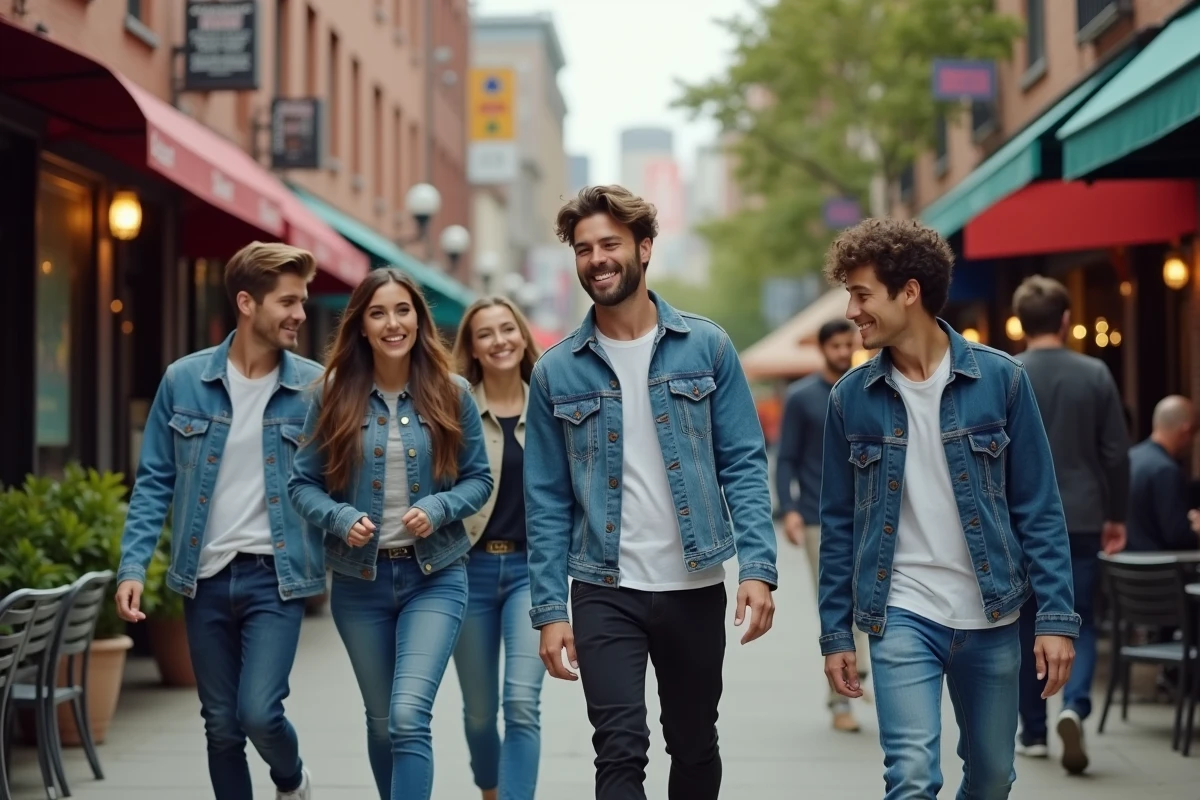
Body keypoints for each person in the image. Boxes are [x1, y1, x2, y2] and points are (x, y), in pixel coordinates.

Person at [525, 185, 779, 800]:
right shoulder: (556, 370)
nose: (596, 259)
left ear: (644, 248)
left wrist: (758, 568)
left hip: (693, 585)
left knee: (693, 743)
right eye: (583, 249)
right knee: (618, 749)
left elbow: (743, 463)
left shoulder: (708, 347)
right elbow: (546, 499)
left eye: (609, 244)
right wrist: (550, 611)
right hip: (603, 587)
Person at [817, 218, 1079, 799]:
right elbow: (837, 525)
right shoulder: (850, 399)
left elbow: (1039, 506)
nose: (852, 310)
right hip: (901, 611)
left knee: (992, 778)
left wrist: (1056, 618)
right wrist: (835, 634)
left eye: (862, 295)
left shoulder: (1002, 380)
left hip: (992, 611)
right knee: (911, 776)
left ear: (908, 292)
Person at [115, 242, 322, 800]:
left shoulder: (315, 388)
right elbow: (154, 481)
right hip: (203, 579)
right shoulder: (184, 381)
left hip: (276, 578)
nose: (300, 314)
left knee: (258, 712)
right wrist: (133, 567)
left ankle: (291, 779)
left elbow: (340, 481)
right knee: (221, 726)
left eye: (302, 301)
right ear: (247, 303)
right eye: (288, 302)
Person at [287, 268, 493, 800]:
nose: (392, 323)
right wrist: (339, 518)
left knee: (407, 716)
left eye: (403, 310)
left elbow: (479, 479)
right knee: (382, 723)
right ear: (361, 326)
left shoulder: (452, 393)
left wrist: (440, 506)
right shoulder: (332, 394)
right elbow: (301, 484)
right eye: (377, 313)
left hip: (435, 576)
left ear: (419, 320)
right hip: (360, 584)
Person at [1010, 275, 1131, 774]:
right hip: (1081, 515)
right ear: (1065, 319)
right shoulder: (1095, 373)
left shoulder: (1007, 373)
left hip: (1019, 521)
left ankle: (1034, 731)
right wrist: (1116, 514)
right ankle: (1075, 707)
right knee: (1080, 616)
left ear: (1021, 322)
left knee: (1024, 623)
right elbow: (1116, 453)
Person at [450, 296, 546, 800]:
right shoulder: (455, 408)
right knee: (480, 712)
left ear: (522, 336)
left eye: (507, 329)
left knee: (523, 704)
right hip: (468, 572)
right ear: (472, 348)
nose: (499, 341)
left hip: (532, 573)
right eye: (485, 333)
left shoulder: (549, 407)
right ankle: (490, 790)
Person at [775, 318, 869, 732]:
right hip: (818, 517)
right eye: (836, 345)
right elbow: (786, 458)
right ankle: (840, 703)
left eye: (849, 344)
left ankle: (859, 668)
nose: (844, 352)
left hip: (868, 515)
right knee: (835, 603)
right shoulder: (801, 397)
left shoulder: (865, 390)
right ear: (823, 348)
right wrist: (790, 510)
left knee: (871, 597)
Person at [1127, 395, 1200, 552]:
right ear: (1186, 431)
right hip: (1156, 564)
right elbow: (1177, 536)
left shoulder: (1130, 458)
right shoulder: (1166, 470)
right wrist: (1196, 529)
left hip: (1121, 562)